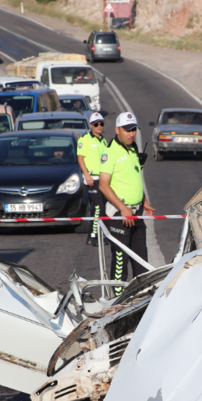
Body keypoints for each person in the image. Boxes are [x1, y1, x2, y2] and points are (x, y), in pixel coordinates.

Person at [99, 112, 154, 295]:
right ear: (117, 130)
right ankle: (117, 301)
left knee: (142, 263)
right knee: (120, 263)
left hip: (136, 214)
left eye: (133, 130)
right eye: (127, 130)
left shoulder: (133, 148)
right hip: (119, 215)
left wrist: (143, 200)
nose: (131, 134)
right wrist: (123, 208)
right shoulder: (109, 152)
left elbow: (134, 178)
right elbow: (103, 185)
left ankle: (143, 300)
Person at [77, 112, 109, 246]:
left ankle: (101, 234)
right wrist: (87, 176)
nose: (99, 126)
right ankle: (93, 236)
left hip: (103, 179)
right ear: (91, 125)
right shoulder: (84, 140)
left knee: (104, 209)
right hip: (92, 179)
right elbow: (80, 158)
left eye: (101, 124)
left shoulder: (103, 140)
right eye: (96, 124)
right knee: (97, 208)